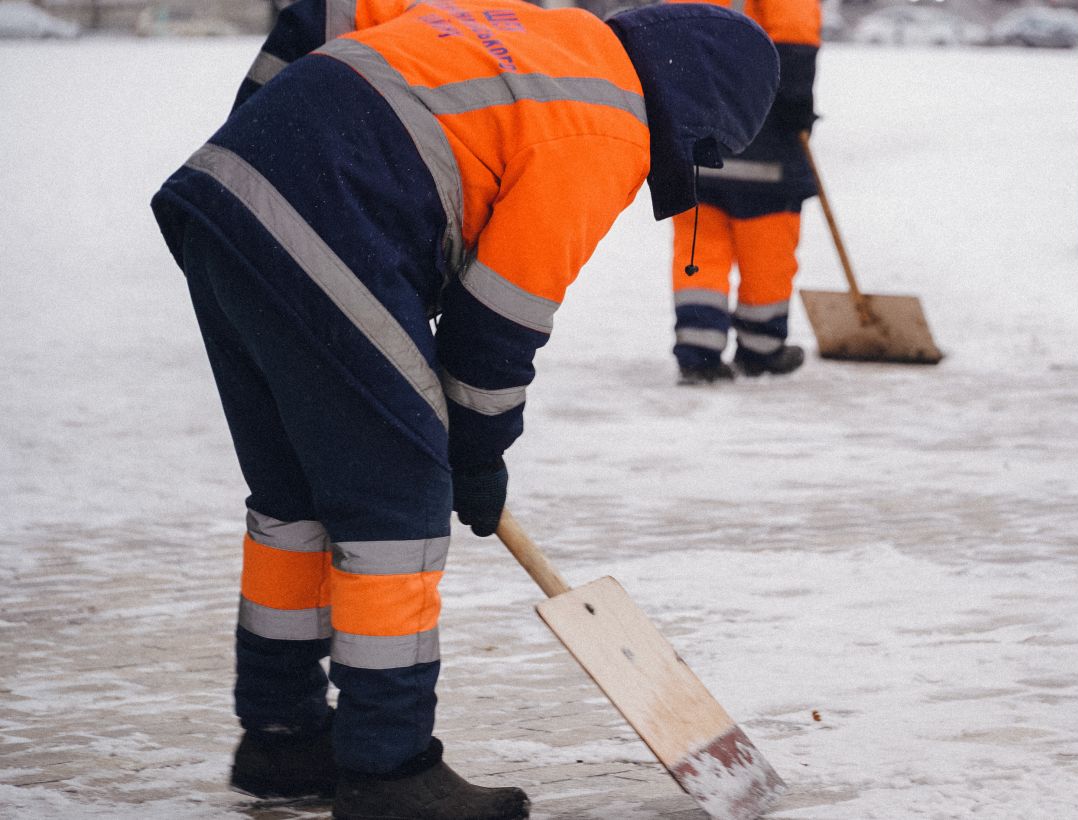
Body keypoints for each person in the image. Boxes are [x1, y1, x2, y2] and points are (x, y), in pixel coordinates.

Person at [149, 1, 778, 818]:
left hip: (224, 198)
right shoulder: (604, 125)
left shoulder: (544, 36)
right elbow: (498, 322)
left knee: (295, 497)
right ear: (703, 110)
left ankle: (282, 737)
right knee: (396, 504)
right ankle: (390, 770)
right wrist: (475, 452)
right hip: (328, 212)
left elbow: (320, 40)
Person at [666, 0, 821, 385]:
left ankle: (698, 351)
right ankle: (761, 348)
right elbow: (794, 35)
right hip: (763, 132)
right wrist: (797, 99)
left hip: (698, 135)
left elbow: (672, 37)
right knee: (767, 246)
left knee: (699, 246)